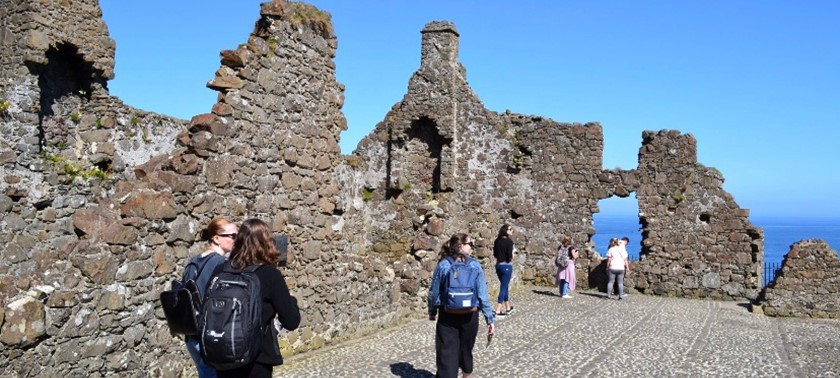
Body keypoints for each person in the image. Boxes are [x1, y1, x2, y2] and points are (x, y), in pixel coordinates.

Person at [215, 218, 301, 378]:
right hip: (257, 359)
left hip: (224, 355)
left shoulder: (222, 270)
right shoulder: (269, 275)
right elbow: (291, 321)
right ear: (267, 243)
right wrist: (292, 302)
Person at [428, 233, 495, 378]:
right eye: (470, 244)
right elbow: (483, 295)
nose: (472, 247)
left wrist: (432, 311)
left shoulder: (444, 264)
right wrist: (489, 319)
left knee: (447, 353)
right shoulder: (474, 265)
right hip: (470, 316)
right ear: (460, 246)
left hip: (448, 317)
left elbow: (434, 292)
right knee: (466, 351)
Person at [184, 218, 237, 378]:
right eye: (233, 236)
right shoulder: (221, 264)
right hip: (212, 339)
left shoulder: (193, 262)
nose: (237, 240)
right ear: (216, 238)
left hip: (192, 337)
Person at [493, 224, 515, 316]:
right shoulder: (509, 242)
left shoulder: (497, 241)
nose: (512, 230)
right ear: (506, 230)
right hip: (506, 266)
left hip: (498, 266)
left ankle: (508, 307)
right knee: (503, 287)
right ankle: (498, 309)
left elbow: (495, 254)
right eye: (510, 229)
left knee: (504, 286)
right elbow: (510, 256)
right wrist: (513, 254)